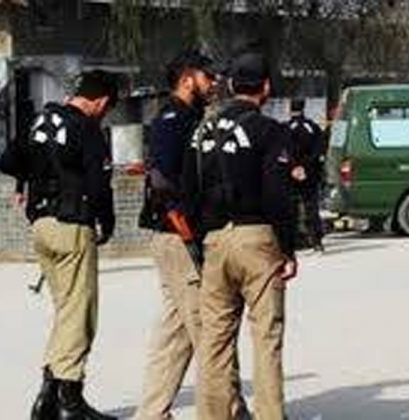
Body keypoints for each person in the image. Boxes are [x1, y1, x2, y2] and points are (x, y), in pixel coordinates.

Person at [135, 48, 249, 420]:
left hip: (177, 237)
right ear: (187, 79)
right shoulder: (174, 119)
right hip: (179, 237)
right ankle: (230, 410)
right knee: (211, 330)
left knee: (176, 333)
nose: (213, 83)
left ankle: (151, 413)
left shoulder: (189, 117)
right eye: (207, 76)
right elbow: (162, 181)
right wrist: (186, 232)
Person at [0, 70, 119, 420]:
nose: (104, 114)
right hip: (72, 226)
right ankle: (70, 399)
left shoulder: (39, 122)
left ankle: (48, 398)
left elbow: (7, 161)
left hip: (41, 226)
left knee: (65, 310)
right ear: (100, 101)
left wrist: (30, 177)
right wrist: (106, 221)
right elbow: (98, 184)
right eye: (106, 108)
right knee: (80, 314)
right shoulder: (87, 129)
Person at [194, 52, 298, 420]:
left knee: (215, 338)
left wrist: (200, 241)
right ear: (266, 87)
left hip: (214, 239)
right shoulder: (270, 130)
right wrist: (288, 248)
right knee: (266, 335)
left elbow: (190, 189)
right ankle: (270, 414)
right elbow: (278, 194)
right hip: (257, 237)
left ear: (231, 85)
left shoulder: (203, 131)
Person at [287, 98, 326, 252]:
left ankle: (295, 240)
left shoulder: (286, 128)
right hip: (311, 173)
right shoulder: (313, 127)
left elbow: (284, 151)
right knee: (312, 206)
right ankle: (316, 240)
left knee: (292, 207)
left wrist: (295, 166)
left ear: (290, 109)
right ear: (304, 108)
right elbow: (319, 150)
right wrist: (307, 167)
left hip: (291, 174)